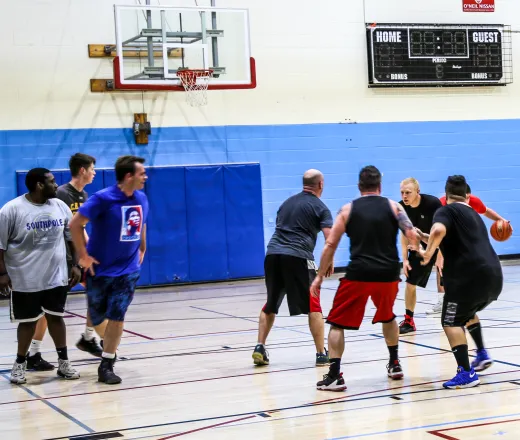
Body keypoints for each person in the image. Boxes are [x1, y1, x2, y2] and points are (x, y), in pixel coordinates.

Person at [311, 166, 418, 391]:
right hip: (388, 273)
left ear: (359, 187)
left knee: (337, 324)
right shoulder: (393, 206)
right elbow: (411, 234)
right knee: (388, 317)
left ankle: (334, 376)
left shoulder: (348, 209)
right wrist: (422, 254)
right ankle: (395, 363)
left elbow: (330, 244)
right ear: (379, 186)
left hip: (359, 273)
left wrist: (320, 275)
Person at [69, 156, 148, 384]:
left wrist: (142, 247)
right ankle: (94, 342)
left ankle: (107, 363)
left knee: (117, 315)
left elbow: (142, 223)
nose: (145, 177)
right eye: (141, 173)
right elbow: (75, 224)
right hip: (99, 270)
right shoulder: (103, 198)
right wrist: (83, 255)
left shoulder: (142, 198)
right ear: (128, 176)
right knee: (97, 315)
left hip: (128, 269)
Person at [418, 175, 502, 389]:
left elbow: (438, 231)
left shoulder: (445, 210)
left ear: (446, 196)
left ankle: (466, 372)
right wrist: (422, 237)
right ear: (467, 196)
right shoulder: (473, 214)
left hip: (467, 279)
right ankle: (481, 354)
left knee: (450, 320)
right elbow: (443, 236)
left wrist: (427, 254)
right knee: (465, 311)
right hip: (494, 278)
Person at [0, 168, 81, 384]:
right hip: (25, 279)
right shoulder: (11, 210)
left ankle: (64, 363)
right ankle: (19, 365)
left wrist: (75, 265)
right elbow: (0, 247)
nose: (56, 185)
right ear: (39, 185)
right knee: (27, 323)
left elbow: (71, 238)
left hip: (56, 276)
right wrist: (2, 274)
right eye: (52, 182)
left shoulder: (60, 206)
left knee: (56, 318)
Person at [27, 153, 102, 372]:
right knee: (48, 309)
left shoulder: (84, 195)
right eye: (92, 169)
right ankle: (33, 352)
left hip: (77, 258)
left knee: (96, 292)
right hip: (60, 259)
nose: (95, 173)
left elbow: (81, 230)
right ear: (82, 170)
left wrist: (89, 253)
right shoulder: (60, 195)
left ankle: (88, 337)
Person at [252, 169, 333, 367]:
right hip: (298, 257)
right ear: (321, 184)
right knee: (314, 304)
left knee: (271, 303)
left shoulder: (286, 203)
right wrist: (327, 262)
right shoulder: (320, 207)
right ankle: (321, 353)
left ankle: (259, 347)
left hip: (272, 255)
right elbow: (329, 238)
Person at [424, 184, 513, 315]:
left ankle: (463, 300)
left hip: (462, 239)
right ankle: (442, 300)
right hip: (441, 232)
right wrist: (438, 254)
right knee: (441, 265)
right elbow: (438, 231)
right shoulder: (442, 204)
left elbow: (486, 210)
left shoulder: (473, 201)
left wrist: (502, 220)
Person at [398, 178, 443, 333]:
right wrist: (404, 259)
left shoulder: (433, 204)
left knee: (451, 280)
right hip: (419, 247)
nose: (404, 196)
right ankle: (409, 321)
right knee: (410, 283)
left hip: (441, 244)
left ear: (418, 191)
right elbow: (404, 234)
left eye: (408, 192)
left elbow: (444, 230)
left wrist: (440, 255)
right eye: (402, 192)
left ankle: (459, 315)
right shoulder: (401, 207)